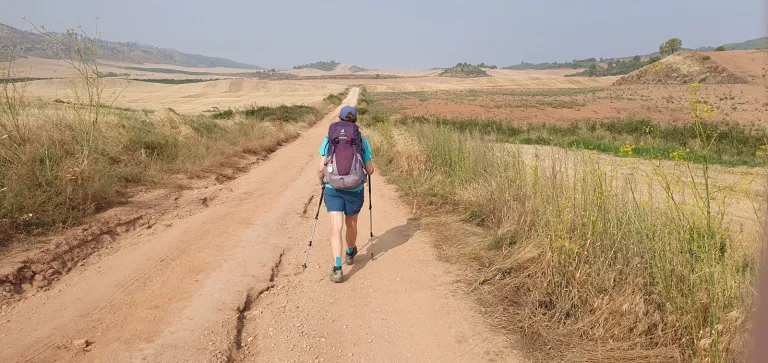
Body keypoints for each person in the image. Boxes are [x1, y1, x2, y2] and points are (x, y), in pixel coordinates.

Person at [317, 105, 374, 283]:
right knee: (351, 224)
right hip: (354, 190)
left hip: (332, 188)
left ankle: (337, 268)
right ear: (355, 121)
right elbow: (370, 170)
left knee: (335, 227)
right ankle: (350, 252)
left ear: (339, 120)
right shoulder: (362, 141)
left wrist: (322, 181)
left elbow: (320, 169)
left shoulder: (330, 139)